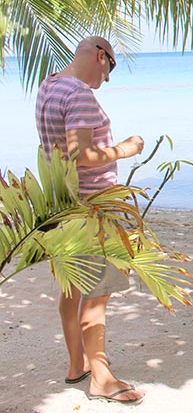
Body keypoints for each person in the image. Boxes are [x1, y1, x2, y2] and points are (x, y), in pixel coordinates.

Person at [34, 37, 146, 404]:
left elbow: (59, 150)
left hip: (62, 205)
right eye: (110, 69)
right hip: (93, 209)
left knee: (72, 289)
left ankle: (76, 365)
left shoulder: (48, 86)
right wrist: (126, 149)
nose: (107, 80)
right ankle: (101, 378)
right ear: (101, 56)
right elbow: (81, 154)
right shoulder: (80, 93)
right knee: (98, 295)